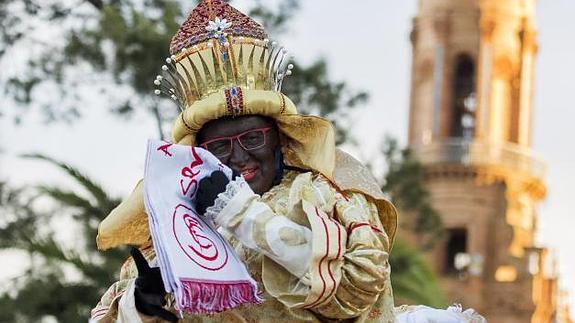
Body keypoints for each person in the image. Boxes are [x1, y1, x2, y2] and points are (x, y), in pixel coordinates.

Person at [91, 1, 484, 322]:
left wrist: (246, 217)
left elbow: (358, 288)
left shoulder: (328, 194)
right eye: (220, 148)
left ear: (279, 138)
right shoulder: (175, 225)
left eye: (251, 139)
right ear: (198, 155)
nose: (239, 157)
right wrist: (141, 307)